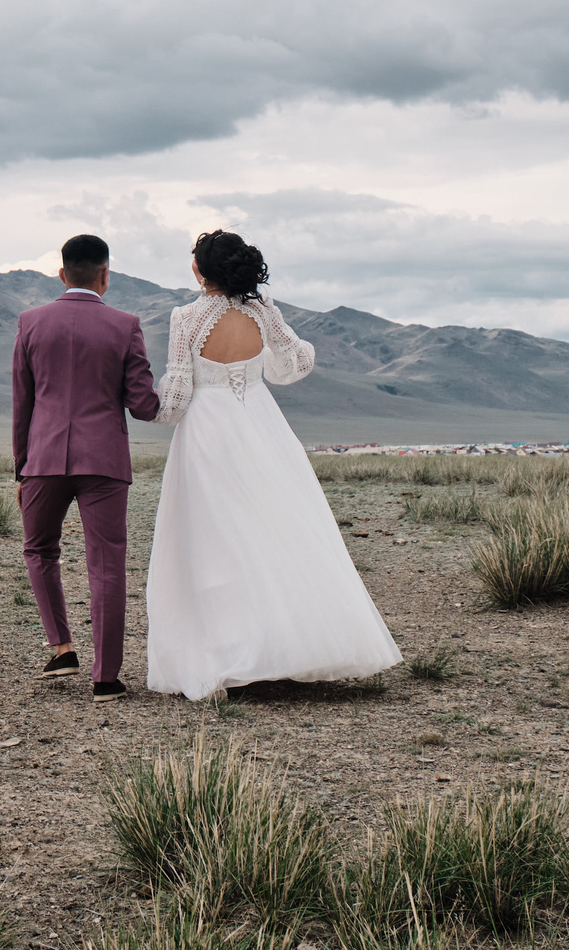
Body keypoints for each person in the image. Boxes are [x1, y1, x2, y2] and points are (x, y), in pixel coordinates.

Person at [145, 229, 401, 700]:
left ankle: (231, 654)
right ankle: (287, 649)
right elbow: (296, 363)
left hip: (207, 432)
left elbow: (177, 396)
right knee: (278, 531)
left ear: (202, 271)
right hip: (262, 426)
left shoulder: (185, 318)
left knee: (215, 541)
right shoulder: (264, 312)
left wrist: (149, 406)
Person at [11, 233, 161, 700]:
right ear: (105, 275)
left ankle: (62, 647)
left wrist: (22, 469)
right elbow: (143, 406)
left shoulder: (30, 322)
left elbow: (23, 403)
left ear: (61, 273)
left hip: (44, 458)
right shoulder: (126, 325)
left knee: (39, 551)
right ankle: (106, 678)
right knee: (107, 564)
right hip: (105, 461)